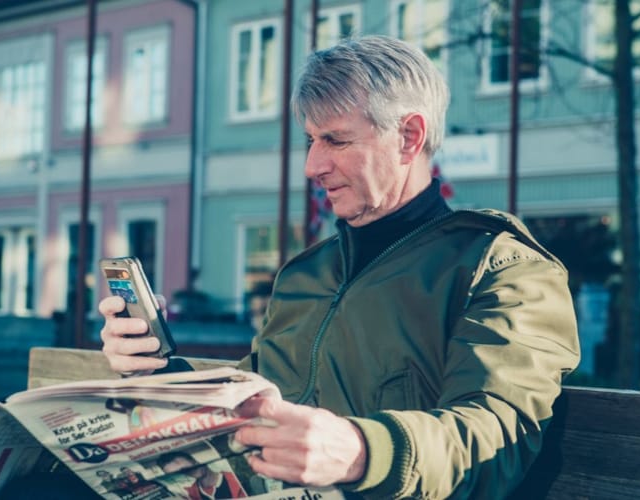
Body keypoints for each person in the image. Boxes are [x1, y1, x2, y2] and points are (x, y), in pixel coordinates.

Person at [100, 35, 580, 499]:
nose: (312, 165)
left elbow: (496, 435)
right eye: (311, 139)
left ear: (408, 137)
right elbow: (247, 402)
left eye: (335, 140)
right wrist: (156, 368)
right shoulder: (305, 274)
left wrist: (362, 451)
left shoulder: (501, 267)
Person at [156, 449, 247, 499]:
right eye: (179, 472)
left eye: (186, 468)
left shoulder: (235, 478)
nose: (187, 472)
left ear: (194, 460)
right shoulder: (190, 495)